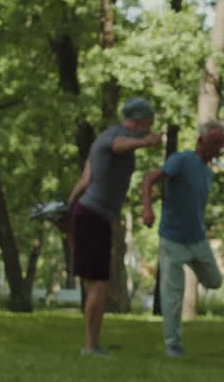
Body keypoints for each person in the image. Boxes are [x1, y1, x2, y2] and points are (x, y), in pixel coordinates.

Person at [66, 97, 163, 356]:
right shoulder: (115, 135)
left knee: (95, 282)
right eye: (150, 121)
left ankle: (92, 343)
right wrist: (145, 142)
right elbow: (119, 146)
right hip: (92, 214)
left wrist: (68, 209)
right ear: (140, 120)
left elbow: (86, 178)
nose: (152, 125)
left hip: (90, 214)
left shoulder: (106, 137)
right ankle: (90, 346)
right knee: (100, 283)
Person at [139, 120, 224, 358]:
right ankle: (173, 345)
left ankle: (191, 262)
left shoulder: (208, 174)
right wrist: (147, 209)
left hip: (197, 239)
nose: (219, 148)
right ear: (201, 141)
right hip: (172, 239)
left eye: (221, 144)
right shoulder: (181, 160)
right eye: (215, 143)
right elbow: (149, 179)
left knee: (215, 281)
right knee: (173, 294)